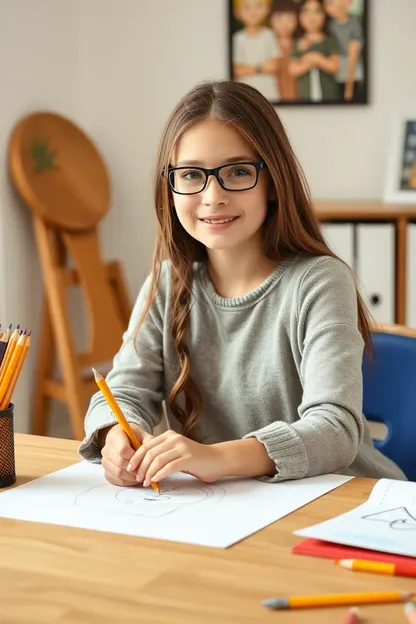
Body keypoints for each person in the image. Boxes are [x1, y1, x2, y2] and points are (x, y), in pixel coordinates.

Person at [78, 80, 405, 488]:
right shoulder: (167, 284)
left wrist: (217, 457)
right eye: (193, 174)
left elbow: (336, 429)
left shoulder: (319, 282)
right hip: (232, 509)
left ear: (273, 181)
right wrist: (114, 436)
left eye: (237, 171)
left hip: (341, 503)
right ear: (171, 184)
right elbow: (121, 390)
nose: (213, 196)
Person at [289, 0, 340, 102]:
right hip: (304, 99)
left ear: (324, 14)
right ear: (299, 16)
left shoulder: (329, 39)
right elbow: (292, 70)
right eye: (306, 12)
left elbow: (335, 66)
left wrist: (317, 59)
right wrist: (310, 62)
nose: (312, 17)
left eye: (317, 11)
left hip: (329, 98)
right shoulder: (298, 42)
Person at [232, 0, 281, 101]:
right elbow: (238, 70)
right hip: (245, 94)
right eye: (247, 7)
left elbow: (274, 66)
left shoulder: (270, 35)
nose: (253, 12)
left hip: (269, 93)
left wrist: (249, 68)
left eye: (258, 6)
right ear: (238, 12)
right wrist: (261, 67)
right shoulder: (238, 38)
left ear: (267, 9)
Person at [324, 0, 365, 102]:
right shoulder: (329, 26)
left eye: (331, 3)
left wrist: (348, 90)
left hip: (351, 78)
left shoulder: (354, 25)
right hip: (333, 78)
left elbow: (353, 57)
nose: (327, 7)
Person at [269, 0, 298, 100]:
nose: (284, 24)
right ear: (271, 20)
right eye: (279, 19)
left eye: (290, 19)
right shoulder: (267, 44)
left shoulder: (301, 44)